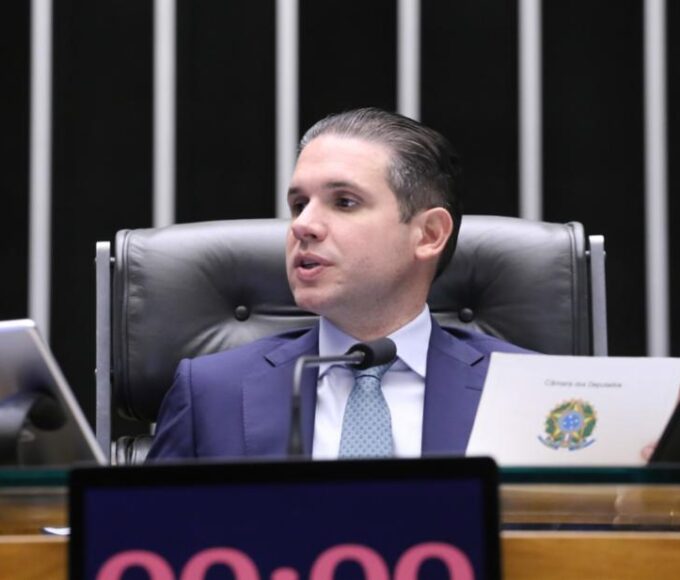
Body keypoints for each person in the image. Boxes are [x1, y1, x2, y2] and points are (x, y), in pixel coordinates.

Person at [147, 107, 528, 461]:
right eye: (299, 205)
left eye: (344, 202)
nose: (302, 225)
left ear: (429, 234)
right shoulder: (211, 392)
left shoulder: (524, 390)